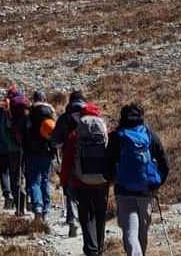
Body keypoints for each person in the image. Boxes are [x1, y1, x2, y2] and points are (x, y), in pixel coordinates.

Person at [105, 103, 169, 256]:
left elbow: (107, 162)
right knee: (142, 233)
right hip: (146, 191)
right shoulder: (149, 135)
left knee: (130, 233)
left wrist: (111, 179)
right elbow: (164, 162)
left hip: (124, 191)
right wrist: (157, 182)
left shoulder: (116, 136)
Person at [61, 100, 109, 256]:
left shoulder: (75, 134)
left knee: (85, 215)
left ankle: (91, 249)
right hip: (102, 182)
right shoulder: (104, 132)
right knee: (100, 215)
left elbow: (67, 161)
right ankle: (100, 248)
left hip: (81, 182)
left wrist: (64, 182)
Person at [51, 91, 85, 237]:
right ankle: (87, 221)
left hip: (69, 159)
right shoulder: (89, 115)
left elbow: (55, 141)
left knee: (71, 190)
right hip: (88, 160)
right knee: (86, 189)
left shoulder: (64, 118)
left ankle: (72, 221)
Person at [25, 90, 57, 225]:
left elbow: (25, 132)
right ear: (45, 99)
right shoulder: (51, 113)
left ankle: (37, 206)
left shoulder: (30, 114)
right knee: (45, 180)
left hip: (32, 152)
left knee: (34, 181)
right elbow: (55, 134)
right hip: (48, 152)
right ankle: (46, 211)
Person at [8, 91, 31, 215]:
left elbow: (8, 133)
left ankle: (19, 207)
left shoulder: (13, 117)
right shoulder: (27, 117)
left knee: (15, 177)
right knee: (26, 175)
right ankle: (28, 202)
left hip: (15, 150)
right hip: (28, 150)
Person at [0, 90, 15, 209]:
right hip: (16, 148)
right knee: (15, 173)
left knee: (4, 172)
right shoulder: (18, 112)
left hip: (2, 147)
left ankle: (8, 195)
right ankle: (18, 199)